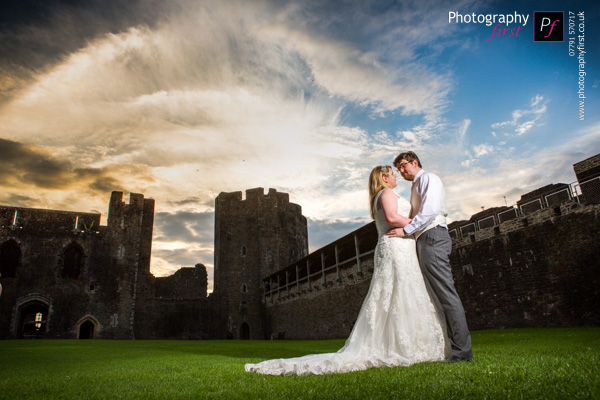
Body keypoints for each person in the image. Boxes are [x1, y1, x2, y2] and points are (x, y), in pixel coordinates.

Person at [244, 166, 446, 375]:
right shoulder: (385, 193)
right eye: (393, 173)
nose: (396, 175)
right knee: (398, 292)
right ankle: (403, 345)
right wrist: (423, 223)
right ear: (384, 178)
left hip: (400, 246)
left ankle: (406, 342)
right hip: (396, 245)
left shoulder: (383, 195)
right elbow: (393, 217)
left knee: (400, 293)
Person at [388, 151, 473, 363]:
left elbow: (429, 211)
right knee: (437, 295)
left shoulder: (428, 178)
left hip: (433, 236)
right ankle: (452, 348)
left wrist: (406, 230)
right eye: (398, 168)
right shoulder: (415, 186)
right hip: (425, 239)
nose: (401, 170)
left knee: (445, 294)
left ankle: (462, 353)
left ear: (415, 162)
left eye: (403, 165)